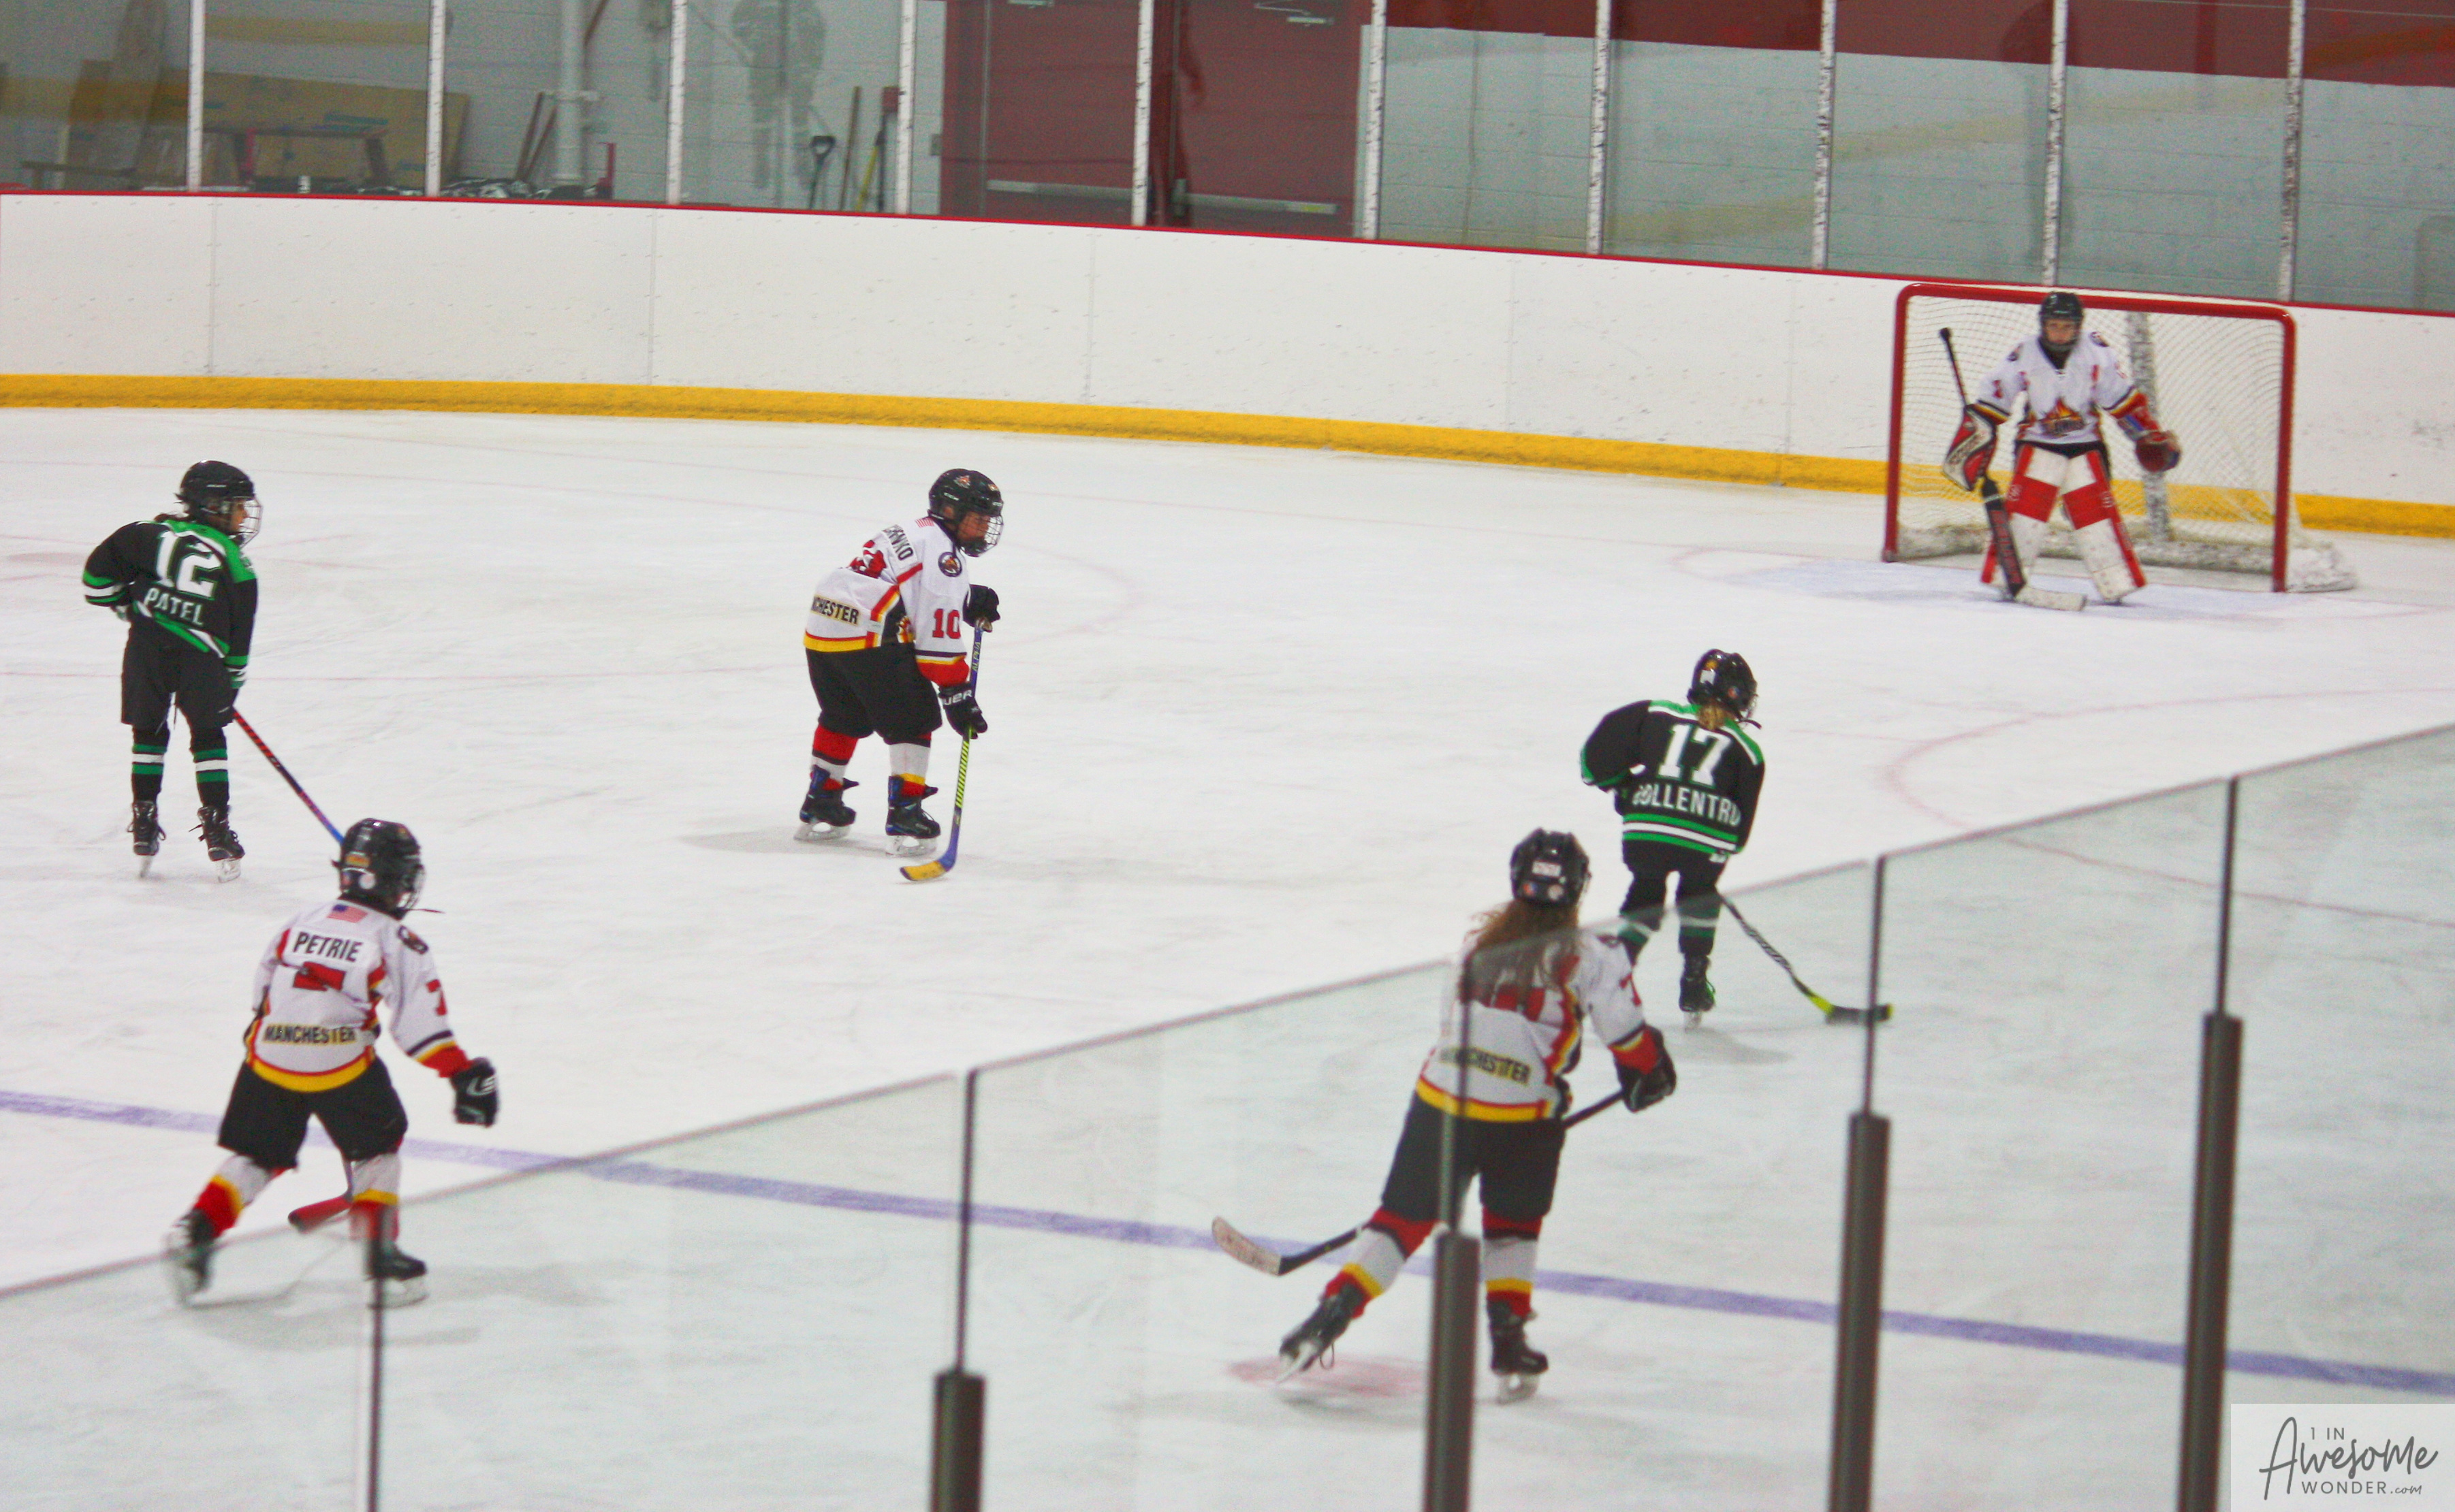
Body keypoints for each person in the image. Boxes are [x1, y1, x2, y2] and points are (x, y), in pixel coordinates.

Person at [1275, 831, 1676, 1400]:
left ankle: (1331, 1311)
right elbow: (1628, 1037)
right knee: (1513, 1225)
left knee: (1399, 1221)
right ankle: (1507, 1339)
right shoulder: (1593, 955)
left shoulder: (1474, 945)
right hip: (1523, 1118)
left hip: (1441, 1100)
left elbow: (1455, 1027)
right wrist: (1649, 1070)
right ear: (1578, 889)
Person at [162, 819, 499, 1307]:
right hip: (339, 1063)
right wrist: (462, 1074)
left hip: (268, 1053)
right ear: (392, 879)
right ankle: (379, 1261)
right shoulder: (396, 939)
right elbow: (420, 1030)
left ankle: (195, 1231)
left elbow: (263, 990)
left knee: (259, 1154)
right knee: (378, 1148)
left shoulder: (303, 918)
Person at [796, 468, 1003, 853]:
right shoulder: (944, 555)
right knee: (914, 717)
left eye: (988, 520)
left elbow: (906, 582)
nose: (984, 528)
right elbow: (936, 640)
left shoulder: (916, 530)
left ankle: (821, 798)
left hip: (824, 623)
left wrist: (964, 597)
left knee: (844, 715)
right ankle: (906, 812)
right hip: (869, 627)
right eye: (978, 519)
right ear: (950, 511)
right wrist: (956, 692)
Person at [81, 461, 263, 879]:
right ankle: (217, 828)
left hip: (145, 652)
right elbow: (239, 642)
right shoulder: (237, 563)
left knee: (148, 733)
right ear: (213, 506)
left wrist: (135, 608)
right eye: (237, 506)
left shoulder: (145, 533)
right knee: (209, 736)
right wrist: (230, 685)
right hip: (203, 661)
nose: (243, 516)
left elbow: (96, 584)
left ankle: (144, 820)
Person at [1944, 291, 2183, 603]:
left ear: (2078, 327)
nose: (2059, 333)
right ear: (2043, 325)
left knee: (2097, 520)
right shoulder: (2025, 353)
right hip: (2037, 443)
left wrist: (2146, 433)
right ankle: (2006, 576)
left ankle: (2116, 582)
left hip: (2086, 445)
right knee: (2024, 517)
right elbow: (1996, 396)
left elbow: (2121, 400)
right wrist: (1978, 430)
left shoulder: (2095, 352)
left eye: (2067, 327)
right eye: (2054, 326)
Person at [1579, 649, 1766, 1020]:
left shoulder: (1656, 714)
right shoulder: (1749, 752)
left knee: (1647, 888)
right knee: (1699, 892)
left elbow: (1594, 759)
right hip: (1705, 838)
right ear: (1739, 696)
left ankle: (1617, 969)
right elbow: (1739, 838)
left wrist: (1626, 788)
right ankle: (1695, 980)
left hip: (1646, 831)